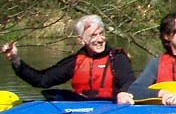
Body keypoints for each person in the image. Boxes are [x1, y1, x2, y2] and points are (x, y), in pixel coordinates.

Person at [2, 14, 135, 100]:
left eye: (101, 34)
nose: (99, 39)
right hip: (81, 110)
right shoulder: (76, 60)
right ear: (81, 39)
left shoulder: (117, 58)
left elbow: (129, 82)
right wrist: (15, 59)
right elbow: (42, 80)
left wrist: (124, 93)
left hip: (112, 109)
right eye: (93, 35)